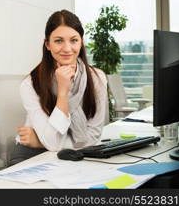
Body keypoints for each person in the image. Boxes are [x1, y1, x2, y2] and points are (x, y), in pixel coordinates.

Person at [9, 10, 107, 166]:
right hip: (32, 153)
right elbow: (53, 142)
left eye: (74, 40)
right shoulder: (30, 84)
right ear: (48, 44)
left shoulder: (97, 78)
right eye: (59, 41)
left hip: (71, 150)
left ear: (81, 42)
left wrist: (41, 141)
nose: (67, 48)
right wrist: (63, 92)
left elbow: (93, 136)